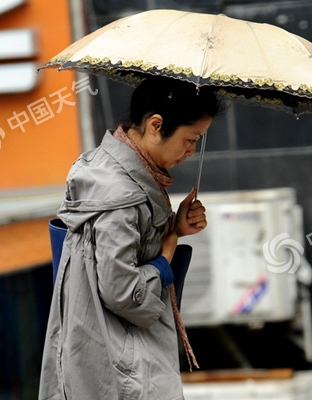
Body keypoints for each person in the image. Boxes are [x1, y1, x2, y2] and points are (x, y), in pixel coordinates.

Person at [39, 77, 222, 400]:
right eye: (191, 139)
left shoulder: (104, 170)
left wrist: (176, 228)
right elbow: (124, 293)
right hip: (121, 369)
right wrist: (167, 254)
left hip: (100, 357)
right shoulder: (121, 195)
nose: (192, 152)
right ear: (156, 125)